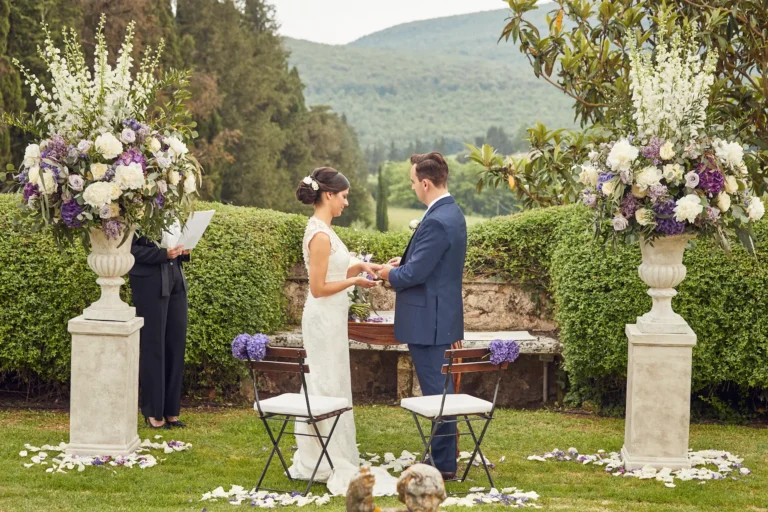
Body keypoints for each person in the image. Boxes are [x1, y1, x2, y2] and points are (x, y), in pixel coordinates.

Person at [290, 167, 397, 496]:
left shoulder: (325, 229)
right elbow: (319, 287)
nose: (346, 203)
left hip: (332, 320)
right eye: (344, 197)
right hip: (322, 319)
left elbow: (339, 264)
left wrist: (363, 266)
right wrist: (354, 281)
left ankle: (328, 453)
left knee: (334, 381)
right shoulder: (320, 235)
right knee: (325, 382)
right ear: (328, 195)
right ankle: (320, 459)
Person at [377, 152, 467, 480]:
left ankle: (442, 465)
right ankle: (441, 458)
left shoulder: (437, 220)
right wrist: (403, 265)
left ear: (426, 182)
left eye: (413, 182)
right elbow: (431, 267)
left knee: (437, 395)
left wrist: (389, 273)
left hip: (429, 322)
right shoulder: (450, 213)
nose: (413, 187)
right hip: (437, 317)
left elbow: (414, 276)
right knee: (440, 392)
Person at [129, 234, 191, 430]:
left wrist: (183, 252)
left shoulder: (172, 210)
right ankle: (153, 412)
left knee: (176, 345)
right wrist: (162, 254)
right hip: (149, 283)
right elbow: (127, 250)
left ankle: (171, 410)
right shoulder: (135, 210)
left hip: (176, 280)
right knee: (153, 346)